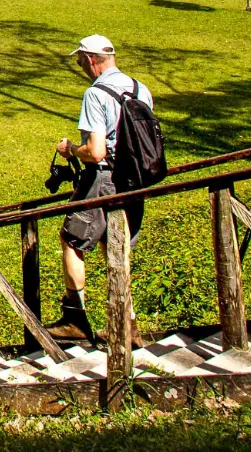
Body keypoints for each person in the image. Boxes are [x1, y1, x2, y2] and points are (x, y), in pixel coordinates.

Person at [50, 34, 154, 343]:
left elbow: (96, 151)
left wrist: (71, 150)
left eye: (81, 60)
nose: (81, 66)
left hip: (105, 178)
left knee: (71, 239)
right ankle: (127, 324)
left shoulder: (95, 95)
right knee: (117, 246)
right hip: (135, 178)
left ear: (92, 59)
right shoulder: (140, 89)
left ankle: (75, 318)